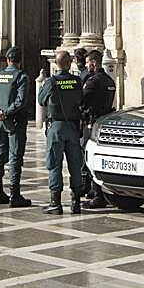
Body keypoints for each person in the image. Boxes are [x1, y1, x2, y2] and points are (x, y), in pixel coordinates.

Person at [38, 50, 85, 215]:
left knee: (54, 164)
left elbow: (41, 101)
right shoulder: (77, 81)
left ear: (56, 64)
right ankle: (76, 202)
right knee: (75, 165)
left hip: (56, 127)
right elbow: (81, 100)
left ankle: (55, 203)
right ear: (69, 63)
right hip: (72, 127)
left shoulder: (51, 82)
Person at [0, 46, 31, 208]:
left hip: (0, 122)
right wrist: (5, 112)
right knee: (15, 157)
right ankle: (15, 194)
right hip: (15, 122)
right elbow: (21, 101)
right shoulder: (21, 77)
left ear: (7, 60)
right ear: (20, 61)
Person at [80, 49, 116, 209]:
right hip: (104, 122)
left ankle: (97, 194)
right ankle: (96, 191)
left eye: (88, 63)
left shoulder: (92, 82)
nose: (87, 66)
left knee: (90, 159)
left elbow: (82, 102)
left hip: (92, 123)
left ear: (94, 63)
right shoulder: (110, 81)